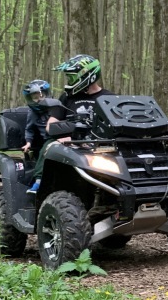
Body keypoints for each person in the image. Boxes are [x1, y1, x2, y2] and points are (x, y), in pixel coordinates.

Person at [26, 55, 115, 195]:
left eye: (72, 77)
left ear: (87, 75)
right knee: (50, 145)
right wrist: (65, 135)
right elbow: (51, 125)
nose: (69, 81)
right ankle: (39, 182)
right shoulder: (67, 97)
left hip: (98, 145)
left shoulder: (109, 98)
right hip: (68, 142)